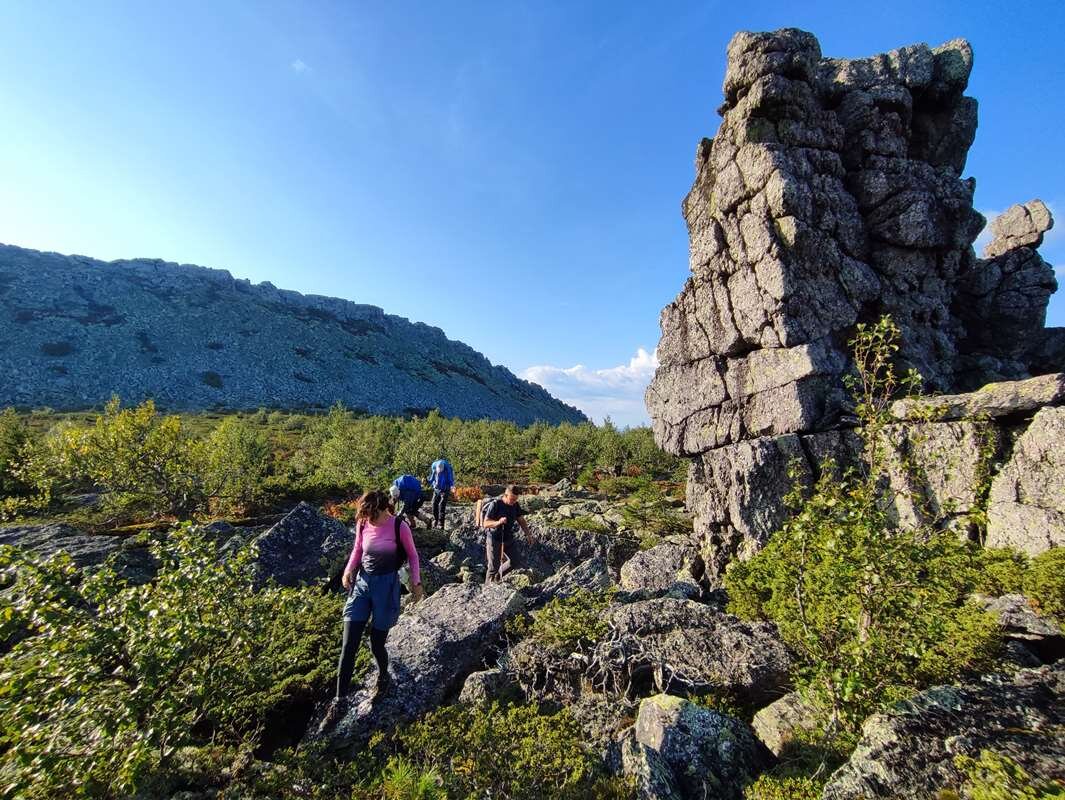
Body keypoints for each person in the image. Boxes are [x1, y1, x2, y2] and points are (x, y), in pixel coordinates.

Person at [324, 489, 423, 727]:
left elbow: (413, 556)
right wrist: (349, 570)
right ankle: (340, 701)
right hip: (362, 585)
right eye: (364, 515)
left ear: (381, 508)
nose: (367, 518)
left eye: (371, 514)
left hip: (387, 587)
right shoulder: (362, 523)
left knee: (376, 642)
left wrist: (415, 581)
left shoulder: (399, 527)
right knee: (349, 644)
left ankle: (383, 675)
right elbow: (357, 549)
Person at [481, 484, 534, 583]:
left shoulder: (515, 505)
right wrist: (498, 522)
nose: (514, 502)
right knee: (493, 567)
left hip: (508, 538)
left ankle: (497, 577)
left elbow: (521, 520)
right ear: (505, 495)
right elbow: (485, 523)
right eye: (512, 499)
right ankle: (487, 589)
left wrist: (528, 534)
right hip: (494, 538)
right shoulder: (495, 504)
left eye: (515, 499)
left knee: (515, 561)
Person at [427, 458, 454, 529]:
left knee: (442, 505)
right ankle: (436, 520)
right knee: (434, 504)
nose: (439, 474)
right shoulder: (434, 467)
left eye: (440, 473)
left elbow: (450, 480)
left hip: (445, 489)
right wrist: (427, 481)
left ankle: (441, 524)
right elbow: (431, 479)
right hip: (436, 489)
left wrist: (452, 486)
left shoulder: (447, 470)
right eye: (438, 473)